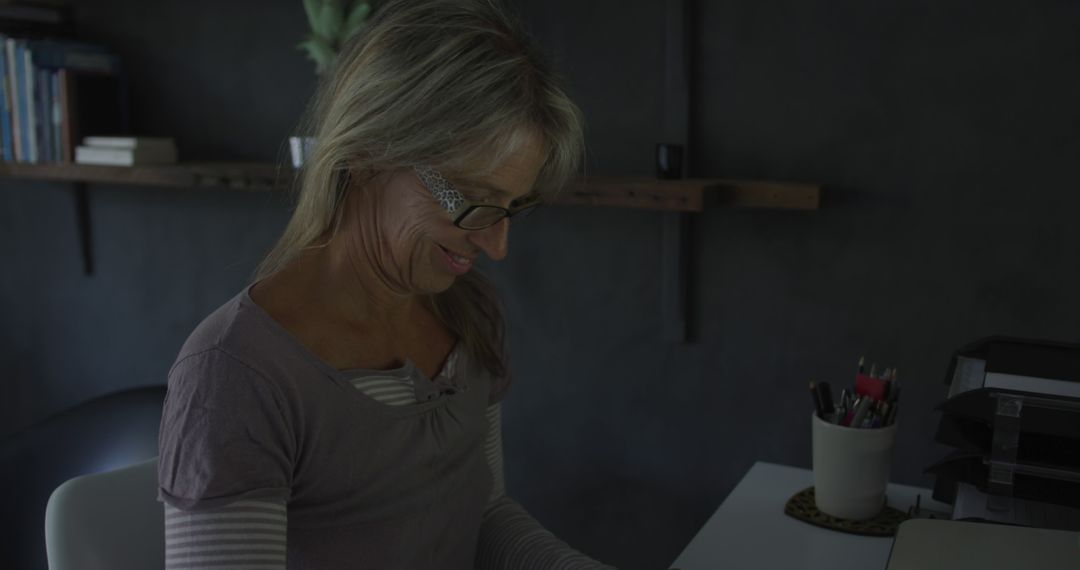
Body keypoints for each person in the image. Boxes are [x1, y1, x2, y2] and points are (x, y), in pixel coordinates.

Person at [157, 0, 615, 568]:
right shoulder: (236, 373)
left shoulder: (467, 313)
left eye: (511, 208)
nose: (497, 245)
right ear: (370, 152)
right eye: (472, 201)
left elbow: (483, 512)